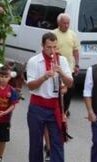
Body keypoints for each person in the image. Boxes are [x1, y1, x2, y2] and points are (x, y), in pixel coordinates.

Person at [26, 32, 73, 162]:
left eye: (54, 47)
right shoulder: (34, 61)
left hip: (55, 107)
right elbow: (30, 86)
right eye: (49, 47)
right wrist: (44, 77)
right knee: (36, 144)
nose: (52, 50)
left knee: (57, 142)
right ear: (42, 45)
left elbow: (70, 83)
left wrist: (61, 73)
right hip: (37, 107)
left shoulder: (62, 60)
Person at [52, 13, 80, 117]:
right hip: (56, 68)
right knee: (57, 90)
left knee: (69, 90)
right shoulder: (53, 34)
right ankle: (57, 108)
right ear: (59, 23)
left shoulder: (72, 34)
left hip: (69, 68)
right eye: (64, 23)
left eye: (68, 23)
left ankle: (65, 109)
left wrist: (77, 65)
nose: (66, 25)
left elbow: (76, 51)